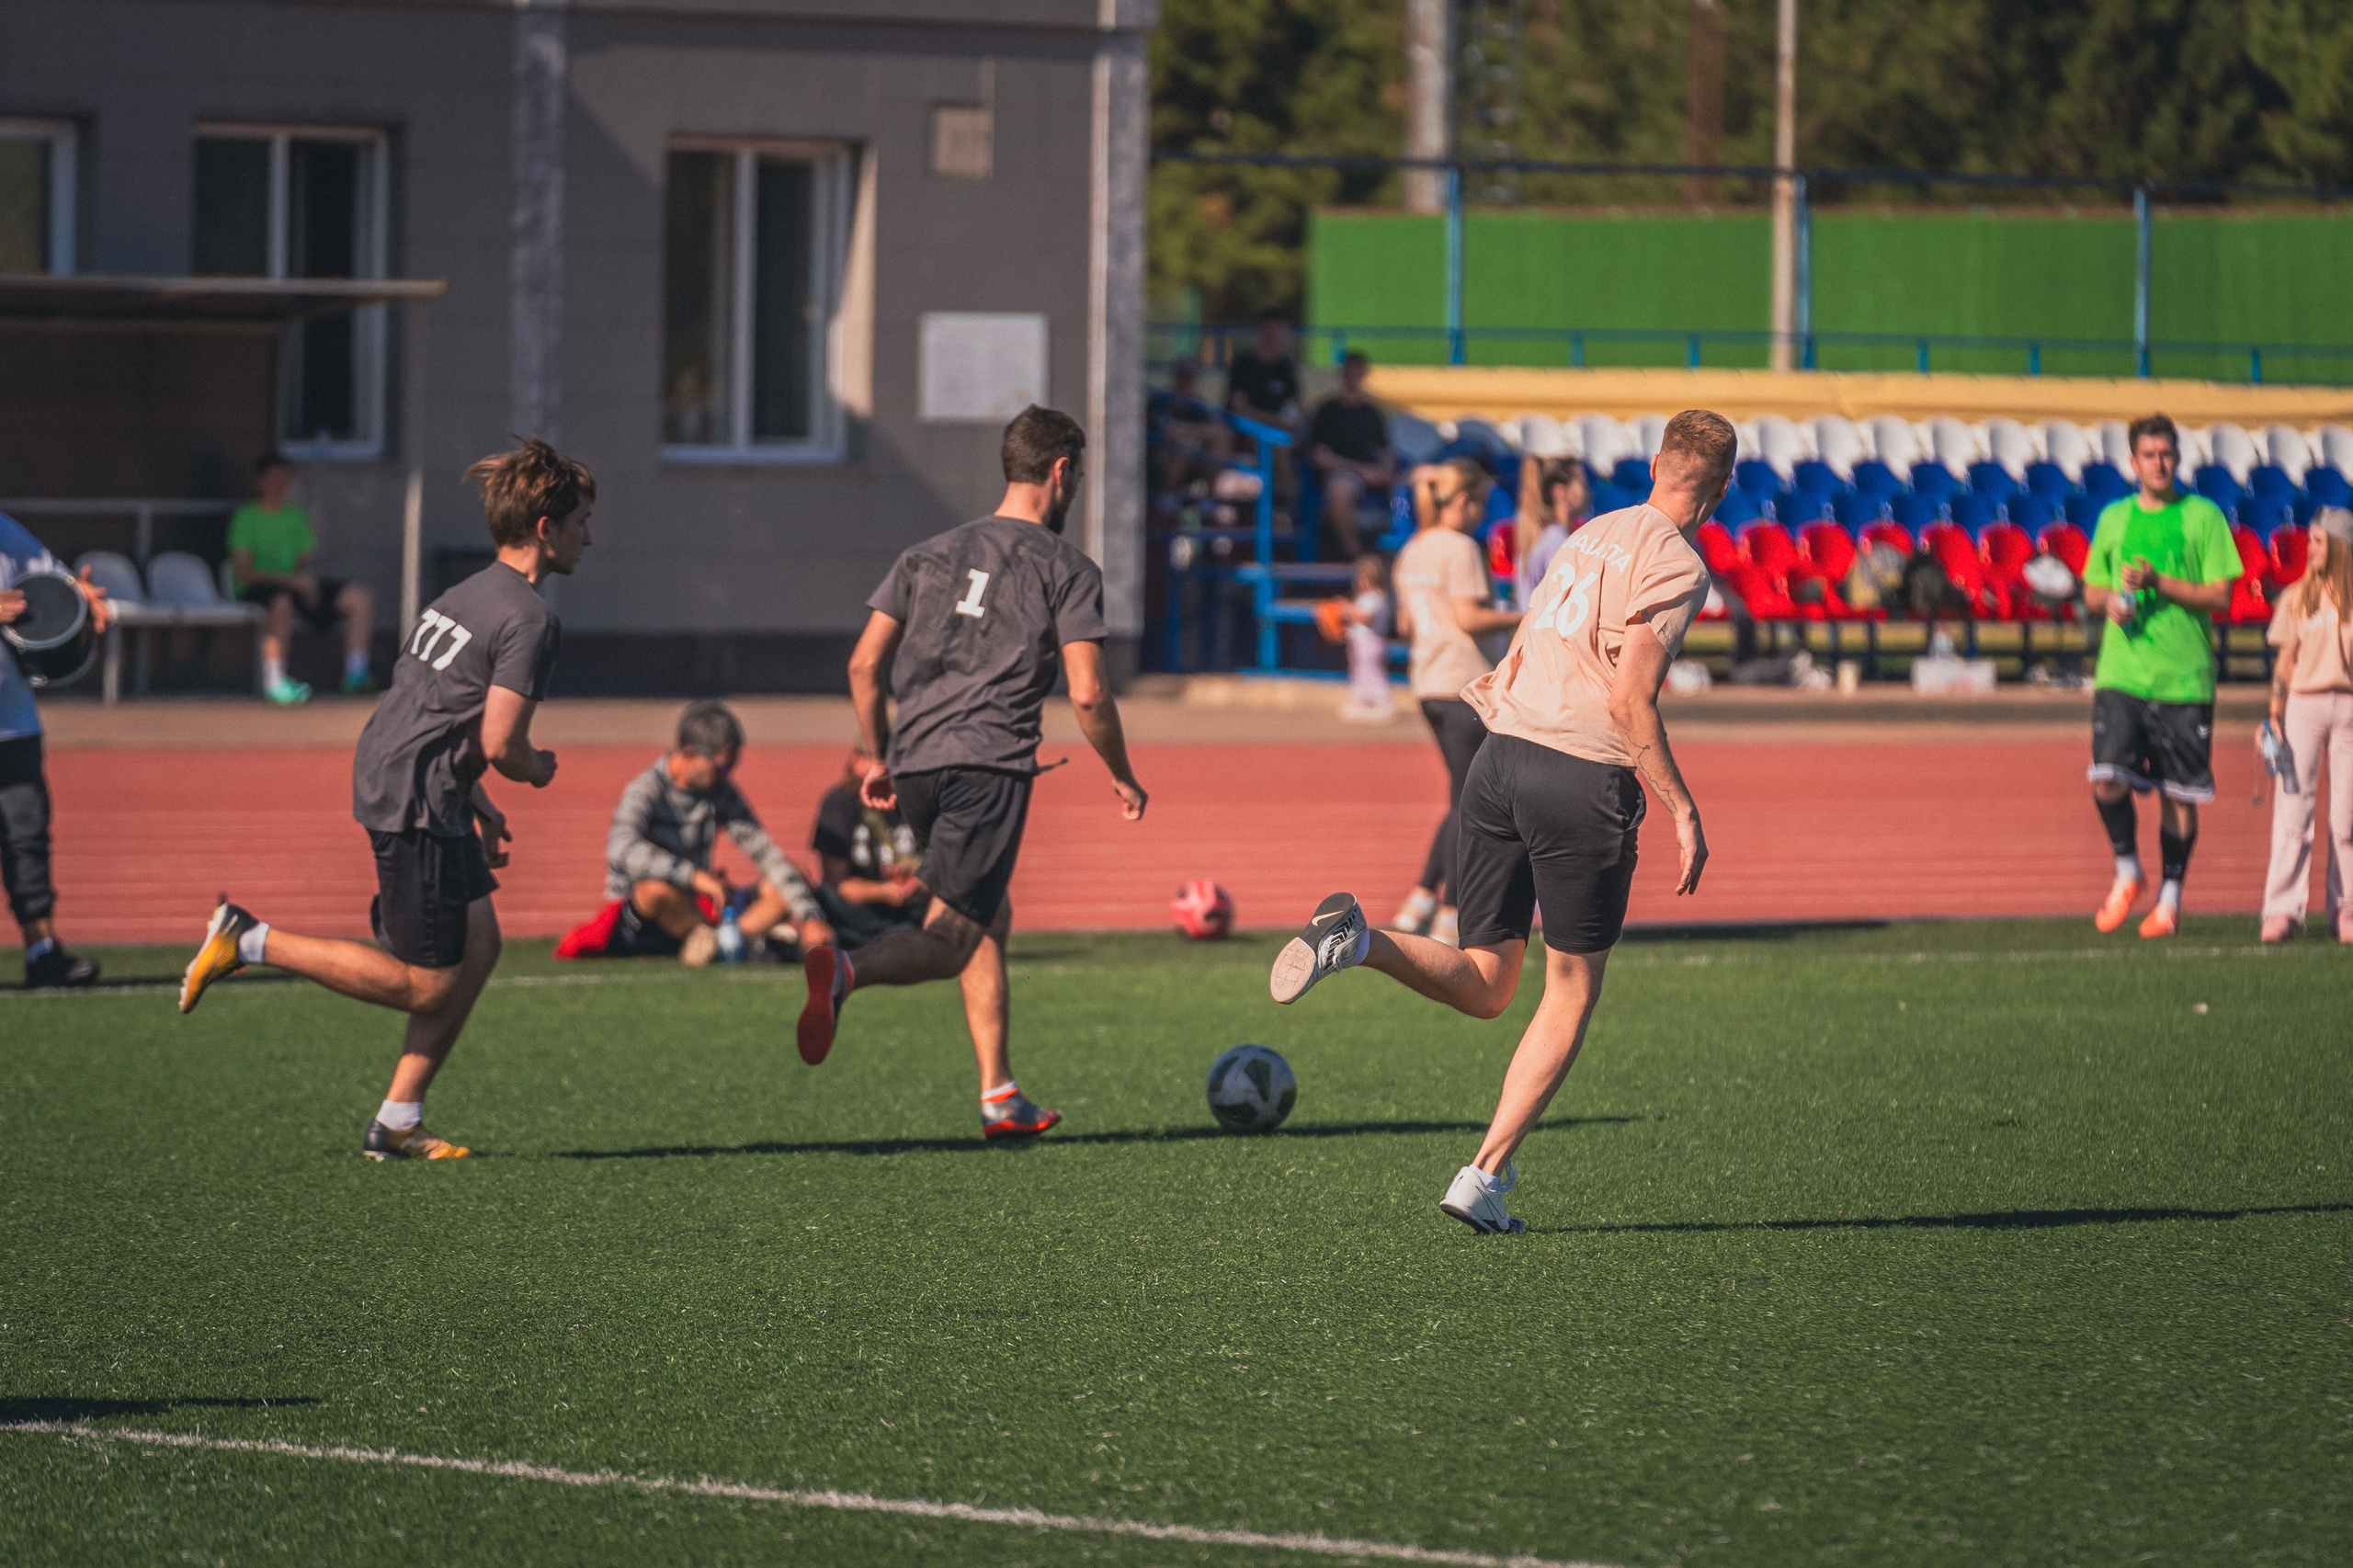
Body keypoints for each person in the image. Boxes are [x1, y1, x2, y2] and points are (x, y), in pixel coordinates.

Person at [1266, 409, 1730, 1235]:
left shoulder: (1592, 532)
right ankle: (1483, 1174)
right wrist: (1682, 806)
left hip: (1499, 754)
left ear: (1658, 462)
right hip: (1579, 773)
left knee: (1489, 984)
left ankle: (1360, 941)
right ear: (1723, 487)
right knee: (1571, 983)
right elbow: (1630, 697)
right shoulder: (1678, 562)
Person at [177, 437, 593, 1161]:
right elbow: (501, 741)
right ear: (545, 529)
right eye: (582, 521)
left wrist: (478, 800)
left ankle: (399, 1118)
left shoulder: (463, 594)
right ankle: (248, 937)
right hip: (415, 792)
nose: (590, 536)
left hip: (409, 770)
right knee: (428, 987)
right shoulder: (530, 618)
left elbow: (437, 704)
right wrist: (534, 769)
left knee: (482, 945)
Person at [799, 405, 1149, 1142]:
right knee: (951, 936)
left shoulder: (925, 554)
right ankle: (848, 971)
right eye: (1077, 476)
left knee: (988, 911)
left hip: (919, 763)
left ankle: (1000, 1092)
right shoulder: (1067, 567)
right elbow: (1088, 691)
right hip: (987, 767)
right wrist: (1121, 771)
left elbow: (864, 663)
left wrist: (883, 752)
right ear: (1061, 472)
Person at [2083, 414, 2240, 939]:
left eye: (2166, 454)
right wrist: (2113, 603)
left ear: (2178, 458)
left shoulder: (2204, 516)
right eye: (2148, 455)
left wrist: (2158, 582)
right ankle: (2128, 871)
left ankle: (2170, 899)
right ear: (2132, 462)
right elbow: (2092, 591)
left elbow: (2220, 595)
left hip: (2183, 677)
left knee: (2180, 795)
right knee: (2105, 780)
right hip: (2122, 671)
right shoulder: (2113, 519)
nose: (2158, 463)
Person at [1388, 458, 1520, 946]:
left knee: (1460, 798)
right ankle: (1449, 909)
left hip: (1428, 681)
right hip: (1464, 680)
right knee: (1471, 803)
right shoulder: (1462, 548)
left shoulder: (1412, 550)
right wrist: (1519, 616)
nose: (1482, 514)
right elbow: (1468, 616)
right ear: (1463, 502)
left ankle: (1423, 897)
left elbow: (1405, 624)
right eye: (1481, 504)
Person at [603, 700, 833, 964]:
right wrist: (694, 877)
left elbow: (765, 853)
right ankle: (738, 943)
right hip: (651, 915)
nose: (727, 775)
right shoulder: (646, 789)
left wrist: (811, 917)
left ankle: (723, 943)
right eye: (722, 766)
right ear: (689, 754)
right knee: (654, 891)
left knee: (796, 875)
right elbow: (620, 848)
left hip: (700, 908)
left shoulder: (720, 791)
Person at [0, 514, 112, 989]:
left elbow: (54, 580)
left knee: (28, 836)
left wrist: (81, 598)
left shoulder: (5, 529)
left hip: (12, 717)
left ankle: (42, 950)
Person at [2259, 506, 2353, 944]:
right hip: (2303, 707)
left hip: (2350, 711)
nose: (2310, 548)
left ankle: (2346, 907)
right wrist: (2274, 714)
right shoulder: (2298, 595)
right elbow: (2286, 661)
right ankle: (2281, 910)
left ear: (2339, 547)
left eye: (2319, 541)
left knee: (2348, 817)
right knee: (2294, 810)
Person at [228, 453, 377, 703]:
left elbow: (301, 563)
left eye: (283, 479)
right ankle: (274, 682)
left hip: (295, 586)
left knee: (359, 597)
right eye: (272, 479)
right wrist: (291, 582)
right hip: (257, 588)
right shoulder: (246, 517)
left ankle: (356, 675)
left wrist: (306, 587)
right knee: (281, 603)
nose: (278, 485)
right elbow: (244, 571)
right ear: (260, 482)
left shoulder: (296, 516)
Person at [810, 744, 931, 949]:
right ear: (858, 761)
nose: (892, 769)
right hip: (852, 917)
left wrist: (915, 883)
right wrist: (885, 891)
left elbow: (948, 868)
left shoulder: (920, 799)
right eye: (884, 760)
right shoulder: (840, 804)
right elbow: (835, 883)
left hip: (913, 912)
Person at [1305, 351, 1396, 560]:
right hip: (1343, 473)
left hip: (1371, 474)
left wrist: (1386, 470)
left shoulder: (1371, 413)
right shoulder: (1328, 410)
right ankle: (1355, 556)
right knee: (1339, 490)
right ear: (1342, 373)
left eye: (1359, 370)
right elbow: (1320, 457)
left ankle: (1402, 545)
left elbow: (1385, 450)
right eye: (1350, 370)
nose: (1354, 375)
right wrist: (1360, 470)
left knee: (1407, 486)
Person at [1515, 456, 1590, 610]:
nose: (1589, 491)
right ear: (1562, 492)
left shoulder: (1545, 535)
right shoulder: (1557, 540)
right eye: (1583, 484)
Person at [1336, 554, 1395, 722]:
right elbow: (1358, 624)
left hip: (1372, 643)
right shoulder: (1363, 598)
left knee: (1373, 671)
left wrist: (1346, 608)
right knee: (1360, 672)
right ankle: (1362, 702)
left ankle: (1383, 702)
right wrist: (1345, 630)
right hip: (1359, 642)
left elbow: (1365, 617)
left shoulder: (1377, 597)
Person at [1223, 312, 1302, 434]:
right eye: (1270, 328)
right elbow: (1238, 408)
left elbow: (1300, 404)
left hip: (1275, 429)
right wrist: (1276, 421)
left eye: (1279, 329)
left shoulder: (1286, 366)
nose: (1274, 334)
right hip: (1245, 430)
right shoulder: (1244, 364)